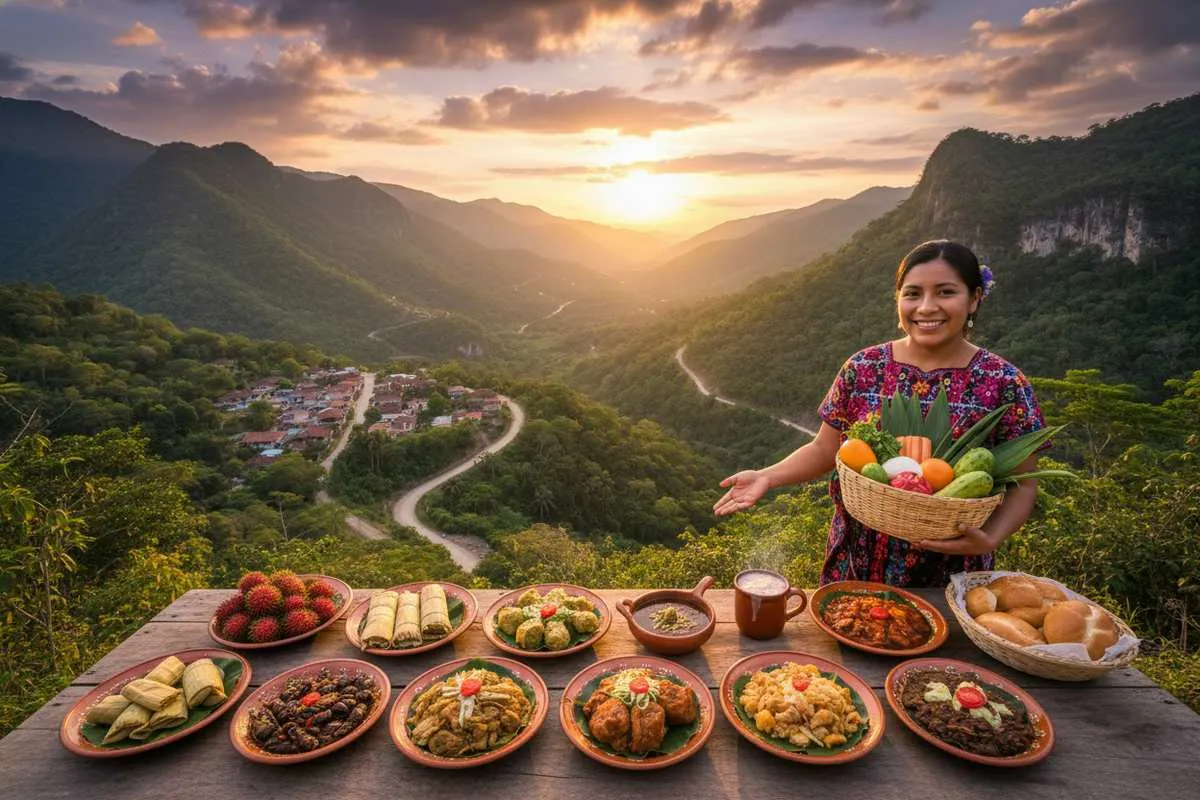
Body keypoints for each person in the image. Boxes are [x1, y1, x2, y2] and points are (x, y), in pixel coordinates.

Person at [713, 240, 1046, 587]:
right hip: (857, 561)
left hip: (953, 572)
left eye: (946, 292)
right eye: (913, 294)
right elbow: (826, 449)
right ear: (898, 299)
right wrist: (767, 476)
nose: (927, 307)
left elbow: (1023, 483)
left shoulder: (1004, 382)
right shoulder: (864, 367)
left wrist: (991, 537)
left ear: (975, 298)